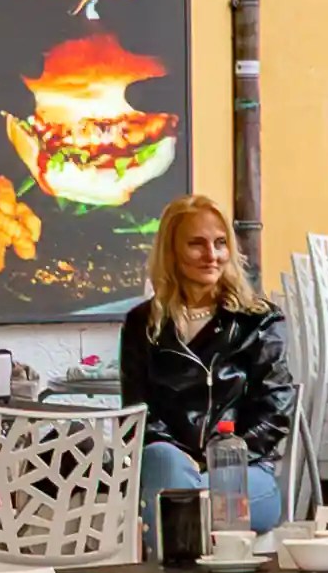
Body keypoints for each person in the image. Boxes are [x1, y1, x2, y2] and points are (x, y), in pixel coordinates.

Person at [120, 193, 292, 538]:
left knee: (177, 499)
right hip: (170, 466)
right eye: (197, 244)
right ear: (172, 251)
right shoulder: (142, 324)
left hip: (245, 472)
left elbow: (275, 411)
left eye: (220, 243)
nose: (212, 255)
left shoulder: (257, 321)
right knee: (165, 463)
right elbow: (137, 414)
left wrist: (219, 459)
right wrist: (184, 460)